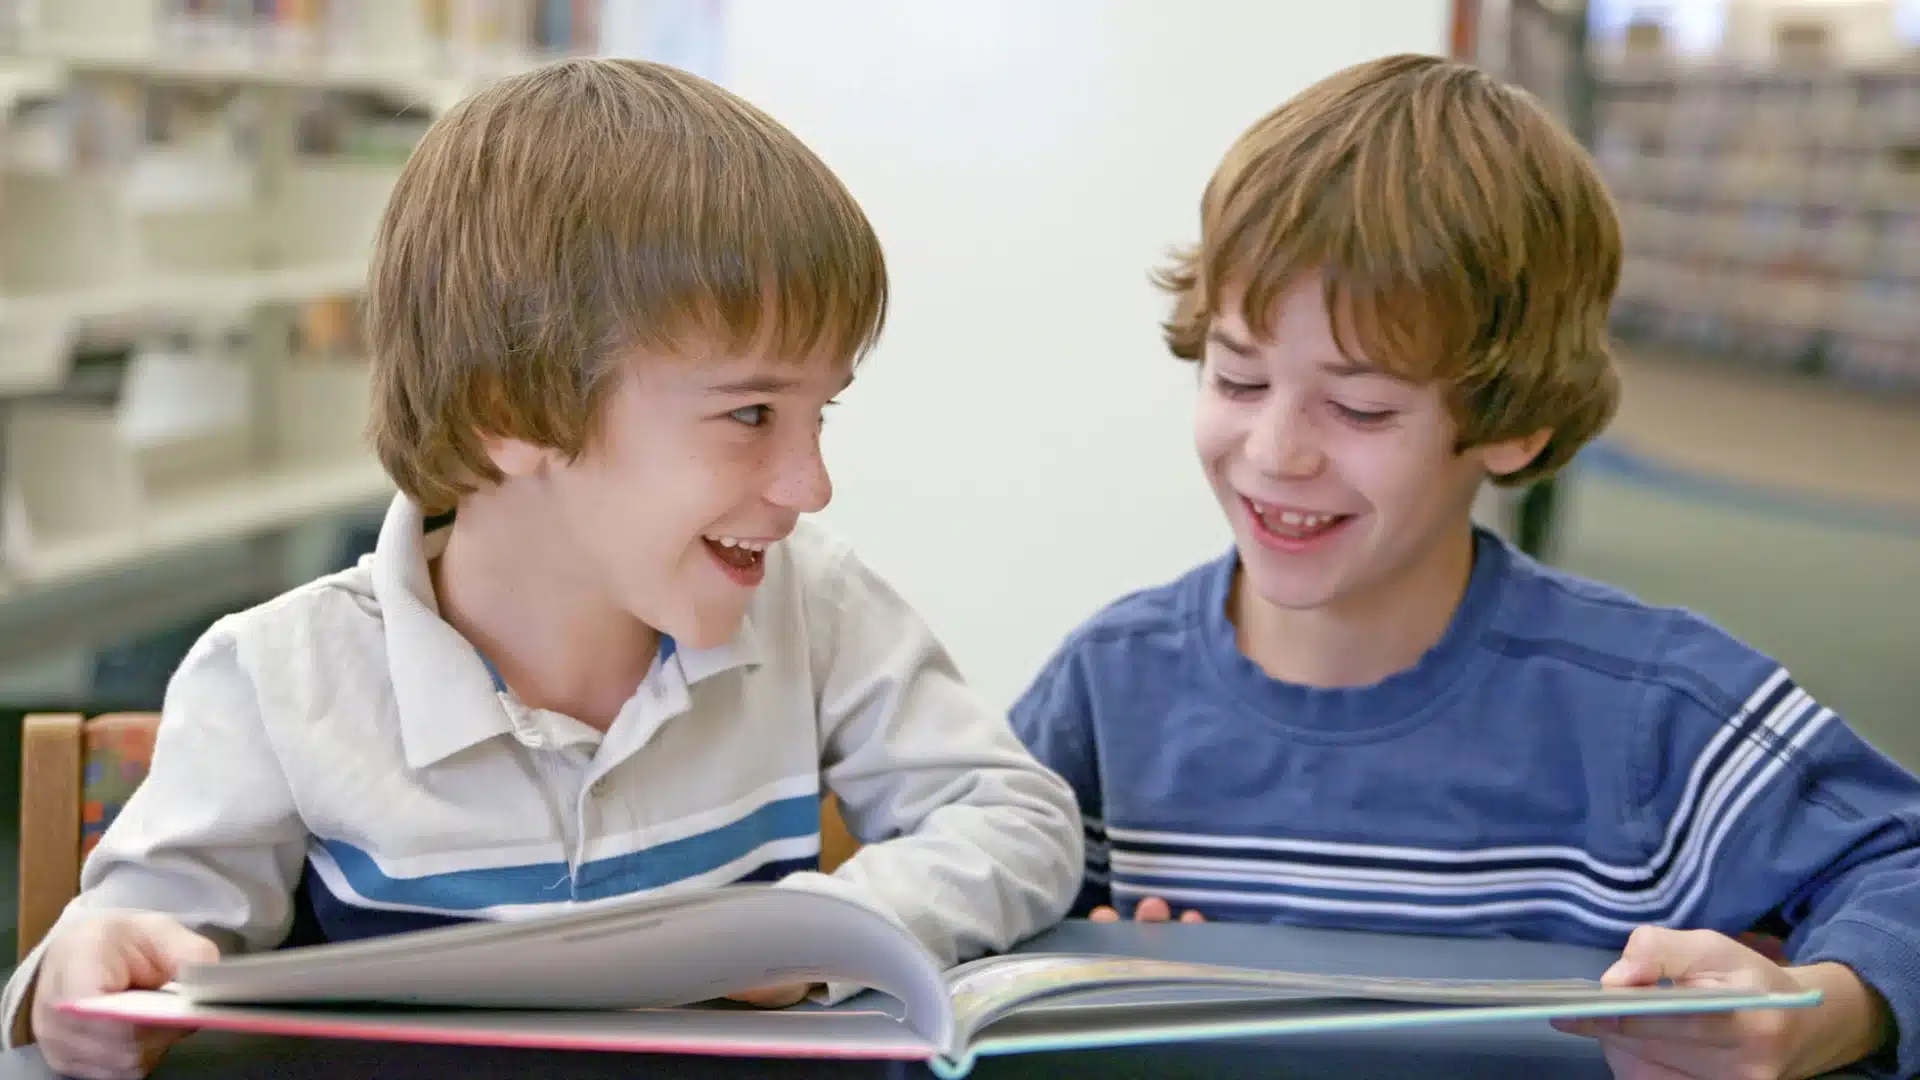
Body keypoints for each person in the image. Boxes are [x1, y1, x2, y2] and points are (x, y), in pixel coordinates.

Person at [8, 58, 1082, 1079]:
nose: (811, 485)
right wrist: (94, 971)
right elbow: (127, 945)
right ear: (509, 415)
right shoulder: (276, 679)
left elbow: (1020, 819)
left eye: (819, 413)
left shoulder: (817, 602)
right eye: (752, 414)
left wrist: (837, 926)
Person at [1011, 54, 1918, 1080]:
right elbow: (967, 908)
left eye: (1359, 407)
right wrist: (1084, 961)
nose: (1273, 451)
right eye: (1237, 375)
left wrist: (1826, 1013)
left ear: (1514, 422)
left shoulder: (1649, 711)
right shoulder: (1108, 686)